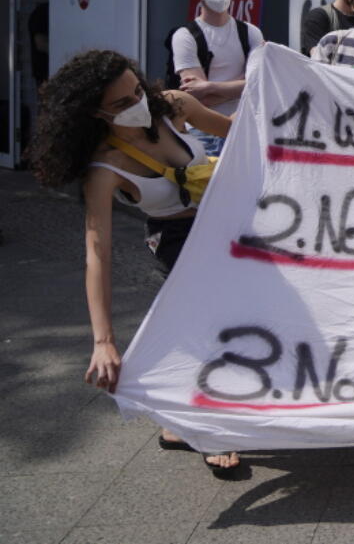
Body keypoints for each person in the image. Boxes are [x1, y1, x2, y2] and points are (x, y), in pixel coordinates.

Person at [27, 50, 241, 478]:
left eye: (138, 91)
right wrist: (103, 340)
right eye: (122, 103)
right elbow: (97, 252)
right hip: (177, 240)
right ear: (94, 114)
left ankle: (175, 423)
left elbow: (241, 134)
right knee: (209, 325)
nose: (138, 103)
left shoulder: (175, 105)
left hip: (230, 221)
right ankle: (205, 426)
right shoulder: (104, 168)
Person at [170, 0, 265, 156]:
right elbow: (197, 97)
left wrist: (210, 86)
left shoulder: (250, 32)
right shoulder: (185, 36)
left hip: (244, 125)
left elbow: (261, 84)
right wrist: (242, 84)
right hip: (203, 130)